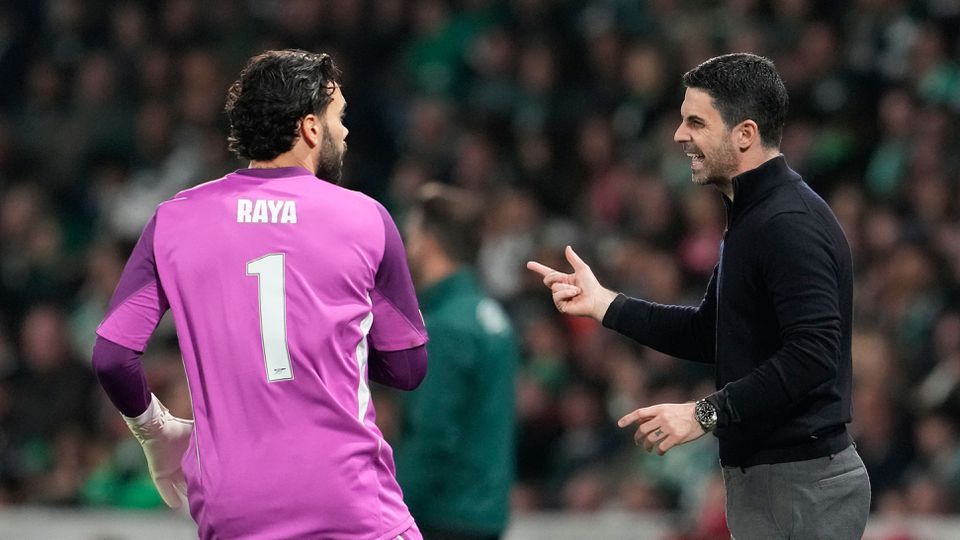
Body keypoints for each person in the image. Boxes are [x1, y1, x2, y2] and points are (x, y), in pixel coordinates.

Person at [527, 53, 870, 539]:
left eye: (696, 122)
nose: (678, 135)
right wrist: (605, 304)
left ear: (745, 134)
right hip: (778, 481)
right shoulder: (753, 217)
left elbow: (813, 354)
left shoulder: (786, 223)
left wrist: (703, 413)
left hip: (800, 482)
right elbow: (712, 332)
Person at [91, 50, 428, 540]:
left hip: (233, 514)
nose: (345, 132)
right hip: (351, 507)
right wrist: (327, 341)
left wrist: (156, 432)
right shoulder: (366, 218)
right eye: (339, 117)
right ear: (310, 128)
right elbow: (408, 367)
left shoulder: (174, 220)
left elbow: (111, 357)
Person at [394, 183, 519, 540]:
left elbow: (433, 435)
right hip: (484, 513)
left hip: (445, 515)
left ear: (430, 242)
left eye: (412, 236)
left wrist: (392, 509)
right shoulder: (489, 315)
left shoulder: (447, 326)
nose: (407, 247)